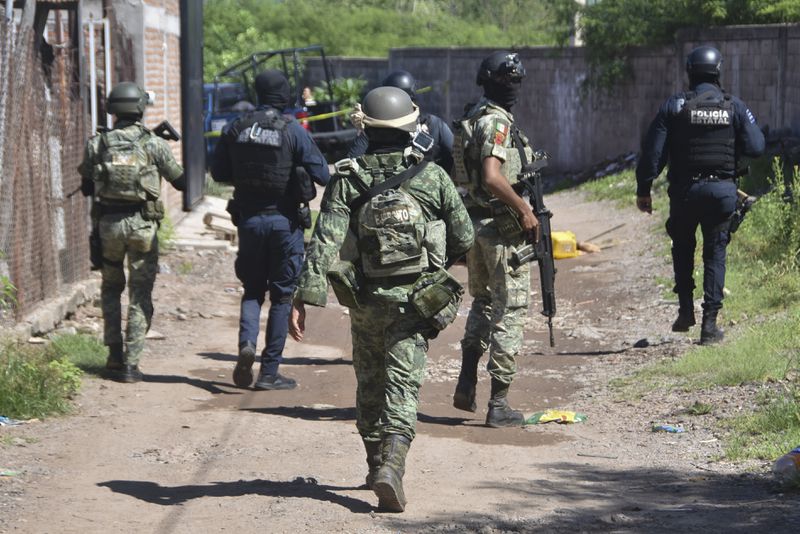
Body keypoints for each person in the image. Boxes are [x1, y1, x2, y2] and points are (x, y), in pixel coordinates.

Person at [289, 86, 473, 512]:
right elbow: (464, 235)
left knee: (370, 381)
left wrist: (304, 297)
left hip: (365, 301)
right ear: (411, 126)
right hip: (416, 301)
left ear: (365, 128)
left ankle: (375, 464)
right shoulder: (432, 176)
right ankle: (393, 464)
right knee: (403, 385)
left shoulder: (348, 177)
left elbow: (325, 242)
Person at [636, 45, 765, 345]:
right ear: (718, 71)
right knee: (715, 253)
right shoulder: (734, 106)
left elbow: (652, 154)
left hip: (684, 193)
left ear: (690, 71)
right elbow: (757, 146)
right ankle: (710, 326)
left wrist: (644, 190)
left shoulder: (675, 106)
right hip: (722, 192)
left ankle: (684, 312)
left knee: (682, 247)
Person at [211, 70, 330, 390]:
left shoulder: (237, 127)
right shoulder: (292, 130)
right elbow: (322, 174)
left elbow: (219, 171)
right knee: (281, 297)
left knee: (252, 290)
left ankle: (246, 345)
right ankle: (268, 372)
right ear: (285, 95)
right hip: (284, 223)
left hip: (249, 221)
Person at [451, 51, 539, 428]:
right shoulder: (496, 123)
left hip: (476, 225)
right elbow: (491, 176)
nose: (515, 89)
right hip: (501, 230)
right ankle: (498, 403)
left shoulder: (473, 115)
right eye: (510, 82)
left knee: (484, 303)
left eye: (517, 81)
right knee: (510, 309)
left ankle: (467, 381)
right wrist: (524, 208)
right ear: (493, 82)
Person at [78, 82, 185, 383]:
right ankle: (131, 364)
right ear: (139, 108)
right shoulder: (153, 144)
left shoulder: (97, 143)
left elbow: (87, 186)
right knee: (140, 294)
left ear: (112, 110)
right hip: (142, 228)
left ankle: (113, 356)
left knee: (111, 289)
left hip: (109, 226)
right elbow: (182, 183)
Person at [348, 70, 454, 173]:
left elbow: (352, 163)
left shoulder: (374, 126)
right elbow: (453, 156)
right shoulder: (434, 124)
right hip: (427, 184)